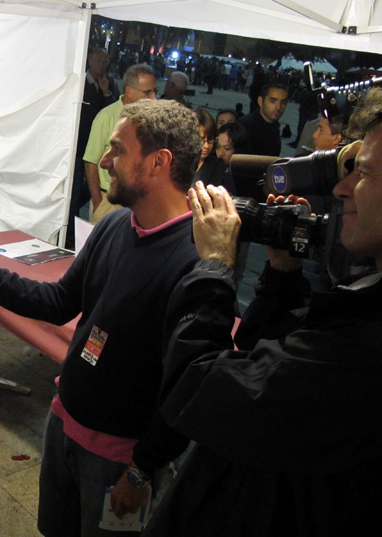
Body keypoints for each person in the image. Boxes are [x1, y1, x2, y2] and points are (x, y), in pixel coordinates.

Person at [0, 99, 201, 536]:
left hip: (120, 460)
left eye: (118, 149)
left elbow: (187, 387)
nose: (103, 161)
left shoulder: (194, 260)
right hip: (65, 424)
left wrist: (141, 471)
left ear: (159, 163)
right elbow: (60, 302)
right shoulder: (115, 226)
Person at [143, 87, 382, 536]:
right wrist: (283, 278)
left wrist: (214, 267)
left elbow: (198, 389)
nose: (340, 188)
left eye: (364, 174)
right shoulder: (361, 301)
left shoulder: (365, 346)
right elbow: (267, 367)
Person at [83, 63, 157, 224]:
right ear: (129, 91)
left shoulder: (151, 120)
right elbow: (90, 161)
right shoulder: (106, 117)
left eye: (154, 90)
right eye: (148, 92)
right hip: (108, 200)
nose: (154, 97)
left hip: (137, 203)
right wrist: (98, 202)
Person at [67, 48, 118, 248]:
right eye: (98, 59)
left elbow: (114, 110)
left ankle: (77, 224)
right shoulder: (81, 82)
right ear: (89, 61)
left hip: (98, 145)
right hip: (80, 145)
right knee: (76, 189)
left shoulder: (111, 84)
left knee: (87, 189)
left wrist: (106, 91)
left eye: (105, 60)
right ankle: (72, 231)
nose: (102, 64)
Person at [236, 81, 289, 156]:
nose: (278, 107)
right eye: (272, 101)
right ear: (261, 101)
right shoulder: (245, 127)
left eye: (283, 102)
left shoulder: (273, 126)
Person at [192, 109, 235, 193]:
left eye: (210, 140)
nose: (206, 146)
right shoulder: (174, 164)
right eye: (201, 140)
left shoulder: (221, 169)